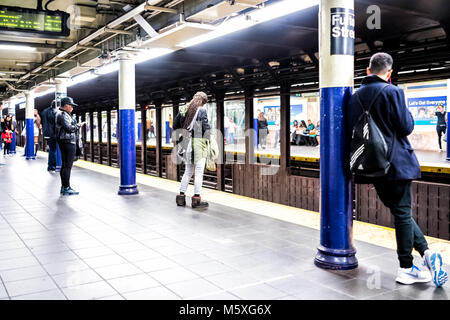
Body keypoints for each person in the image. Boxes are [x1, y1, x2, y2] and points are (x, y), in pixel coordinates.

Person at [347, 52, 448, 287]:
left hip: (371, 164)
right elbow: (405, 127)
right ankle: (406, 267)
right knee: (403, 213)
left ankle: (426, 253)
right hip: (396, 163)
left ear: (368, 71)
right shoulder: (393, 92)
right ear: (389, 73)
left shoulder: (354, 97)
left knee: (399, 212)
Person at [173, 91, 210, 209]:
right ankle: (196, 199)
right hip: (198, 144)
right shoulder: (202, 111)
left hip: (186, 143)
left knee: (188, 171)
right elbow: (206, 128)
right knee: (198, 173)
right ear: (202, 102)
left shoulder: (184, 109)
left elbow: (175, 125)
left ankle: (181, 197)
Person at [55, 97, 83, 196]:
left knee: (65, 165)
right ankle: (66, 187)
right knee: (67, 165)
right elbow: (70, 128)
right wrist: (78, 125)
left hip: (64, 141)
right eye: (71, 106)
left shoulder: (62, 114)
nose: (72, 108)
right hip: (68, 141)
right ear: (66, 106)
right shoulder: (63, 114)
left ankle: (64, 186)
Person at [41, 100, 58, 172]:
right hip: (53, 134)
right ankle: (53, 166)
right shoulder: (55, 112)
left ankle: (50, 166)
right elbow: (55, 123)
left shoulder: (44, 111)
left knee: (51, 150)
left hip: (46, 133)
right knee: (54, 150)